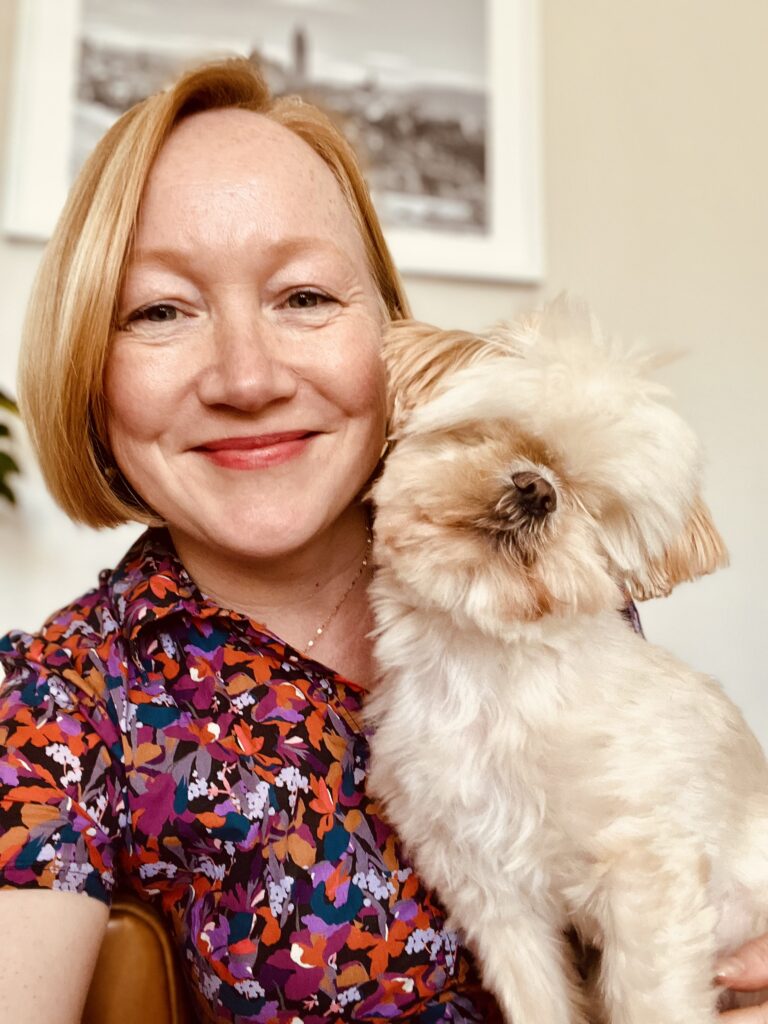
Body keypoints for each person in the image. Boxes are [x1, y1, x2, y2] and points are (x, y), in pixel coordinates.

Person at [0, 57, 764, 1024]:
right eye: (160, 311)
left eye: (304, 297)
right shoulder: (60, 705)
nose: (247, 378)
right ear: (88, 368)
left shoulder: (551, 571)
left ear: (389, 335)